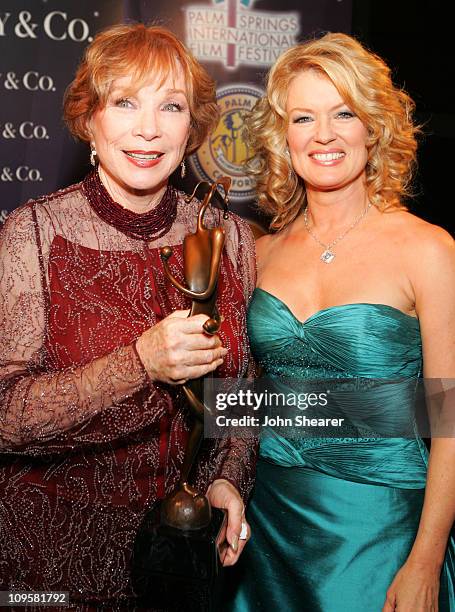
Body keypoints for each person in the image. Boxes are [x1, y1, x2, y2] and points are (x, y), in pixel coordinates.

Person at [0, 24, 257, 609]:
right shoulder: (34, 233)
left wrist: (226, 477)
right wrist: (141, 362)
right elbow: (4, 415)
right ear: (89, 121)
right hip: (49, 558)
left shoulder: (229, 237)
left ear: (192, 127)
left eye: (171, 106)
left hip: (180, 564)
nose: (148, 129)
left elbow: (240, 389)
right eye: (125, 103)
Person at [229, 33, 455, 611]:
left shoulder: (427, 249)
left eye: (343, 113)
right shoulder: (261, 252)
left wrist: (426, 558)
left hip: (380, 526)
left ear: (373, 127)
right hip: (267, 523)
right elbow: (245, 397)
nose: (323, 135)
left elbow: (449, 418)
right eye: (304, 117)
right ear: (284, 135)